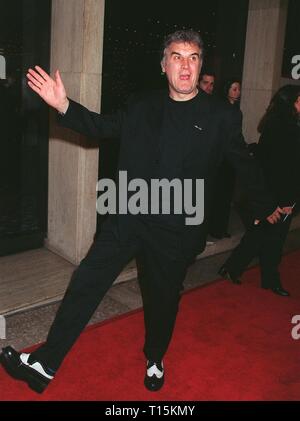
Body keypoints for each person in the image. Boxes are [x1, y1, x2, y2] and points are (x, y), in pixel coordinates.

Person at [0, 30, 282, 394]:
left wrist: (265, 204)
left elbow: (243, 162)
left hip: (177, 228)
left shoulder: (220, 116)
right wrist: (64, 105)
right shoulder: (141, 104)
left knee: (162, 300)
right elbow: (101, 127)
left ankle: (154, 357)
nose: (185, 65)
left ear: (199, 65)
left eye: (193, 57)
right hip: (129, 213)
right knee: (86, 281)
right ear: (164, 66)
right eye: (177, 57)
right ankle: (45, 364)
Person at [219, 85, 300, 296]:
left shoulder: (280, 124)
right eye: (299, 100)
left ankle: (233, 268)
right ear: (289, 103)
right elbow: (283, 169)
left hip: (275, 193)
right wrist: (285, 202)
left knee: (261, 235)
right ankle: (269, 280)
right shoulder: (285, 127)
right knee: (272, 239)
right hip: (277, 194)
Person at [208, 78, 242, 239]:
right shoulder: (221, 109)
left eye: (238, 89)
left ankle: (220, 228)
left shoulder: (236, 110)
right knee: (219, 195)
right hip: (221, 159)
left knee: (226, 195)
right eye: (234, 89)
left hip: (230, 160)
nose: (237, 92)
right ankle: (215, 228)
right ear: (226, 90)